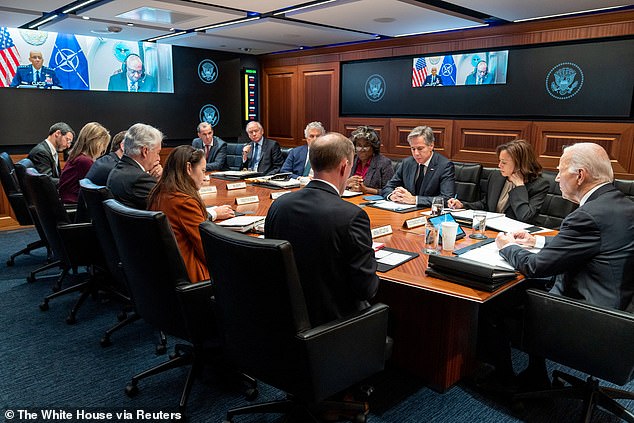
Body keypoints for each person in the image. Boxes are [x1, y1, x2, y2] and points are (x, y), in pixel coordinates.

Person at [479, 143, 634, 391]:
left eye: (561, 171)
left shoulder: (586, 215)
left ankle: (505, 383)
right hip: (620, 307)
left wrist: (507, 246)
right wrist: (537, 240)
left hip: (590, 316)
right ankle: (535, 374)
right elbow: (592, 243)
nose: (557, 178)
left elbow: (535, 266)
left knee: (493, 305)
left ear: (581, 175)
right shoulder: (621, 204)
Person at [265, 132, 379, 326]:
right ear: (345, 166)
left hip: (281, 320)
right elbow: (366, 289)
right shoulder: (351, 216)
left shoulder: (279, 205)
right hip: (332, 326)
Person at [148, 145, 234, 283]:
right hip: (195, 276)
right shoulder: (184, 202)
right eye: (203, 170)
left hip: (167, 274)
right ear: (189, 168)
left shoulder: (159, 193)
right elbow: (207, 250)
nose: (204, 176)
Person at [448, 139, 549, 223]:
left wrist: (519, 186)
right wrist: (462, 205)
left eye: (504, 162)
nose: (499, 165)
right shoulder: (496, 176)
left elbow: (525, 217)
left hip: (517, 234)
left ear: (520, 164)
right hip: (492, 229)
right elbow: (486, 205)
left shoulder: (539, 185)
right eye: (499, 161)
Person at [381, 125, 455, 207]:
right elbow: (388, 187)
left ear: (431, 146)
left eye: (420, 148)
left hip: (429, 213)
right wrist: (392, 196)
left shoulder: (444, 166)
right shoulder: (407, 163)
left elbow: (446, 198)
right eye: (413, 149)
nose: (416, 153)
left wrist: (414, 200)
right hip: (405, 210)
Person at [107, 123, 163, 210]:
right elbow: (167, 205)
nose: (158, 158)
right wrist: (160, 181)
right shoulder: (140, 179)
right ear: (145, 151)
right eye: (157, 153)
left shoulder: (117, 169)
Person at [58, 122, 110, 204]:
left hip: (68, 201)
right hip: (74, 203)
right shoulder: (84, 161)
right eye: (103, 144)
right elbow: (93, 189)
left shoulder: (76, 157)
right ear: (95, 142)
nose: (104, 148)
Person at [345, 126, 394, 195]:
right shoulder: (351, 159)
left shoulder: (384, 163)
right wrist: (346, 183)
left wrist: (366, 190)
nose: (362, 149)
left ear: (373, 147)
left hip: (370, 202)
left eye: (366, 146)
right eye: (359, 145)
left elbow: (390, 190)